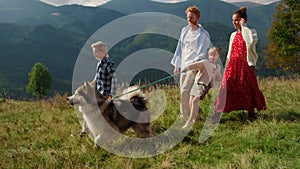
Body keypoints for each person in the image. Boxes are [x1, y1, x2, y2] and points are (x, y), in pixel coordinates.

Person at [214, 7, 266, 121]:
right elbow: (230, 52)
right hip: (233, 64)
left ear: (243, 20)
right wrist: (226, 65)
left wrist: (244, 27)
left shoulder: (252, 32)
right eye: (233, 20)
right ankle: (218, 112)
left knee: (247, 87)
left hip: (245, 64)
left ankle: (251, 112)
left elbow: (250, 42)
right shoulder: (233, 35)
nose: (234, 22)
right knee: (226, 86)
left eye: (237, 20)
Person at [171, 5, 211, 119]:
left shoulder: (203, 34)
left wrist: (195, 63)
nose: (189, 19)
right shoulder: (184, 31)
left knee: (185, 90)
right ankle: (196, 112)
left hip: (194, 66)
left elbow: (204, 51)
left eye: (192, 17)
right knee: (183, 90)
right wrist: (176, 65)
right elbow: (180, 48)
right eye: (188, 17)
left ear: (197, 17)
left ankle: (184, 115)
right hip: (184, 64)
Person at [181, 47, 222, 128]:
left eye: (214, 55)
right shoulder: (205, 62)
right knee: (191, 102)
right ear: (208, 55)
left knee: (194, 102)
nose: (212, 57)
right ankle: (195, 118)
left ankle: (190, 121)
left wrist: (222, 79)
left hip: (204, 86)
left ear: (218, 56)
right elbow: (194, 65)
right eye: (210, 55)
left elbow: (217, 77)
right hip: (196, 84)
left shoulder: (217, 67)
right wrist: (185, 69)